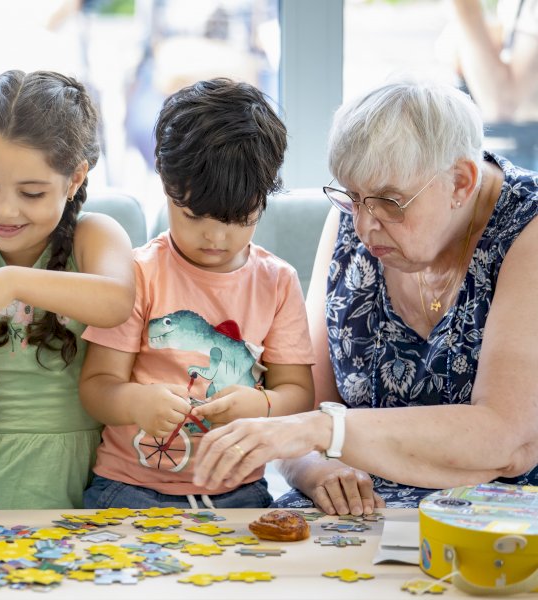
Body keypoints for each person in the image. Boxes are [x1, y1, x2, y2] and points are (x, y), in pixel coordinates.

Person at [190, 79, 538, 515]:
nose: (363, 226)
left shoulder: (527, 231)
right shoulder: (357, 222)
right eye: (353, 196)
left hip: (494, 520)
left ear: (462, 183)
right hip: (351, 511)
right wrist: (316, 471)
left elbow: (507, 438)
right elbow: (298, 412)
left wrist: (328, 432)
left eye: (391, 201)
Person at [79, 78, 315, 510]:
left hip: (240, 490)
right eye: (192, 216)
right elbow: (96, 387)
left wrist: (261, 405)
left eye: (239, 219)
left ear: (264, 200)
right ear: (165, 187)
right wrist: (136, 401)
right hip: (129, 487)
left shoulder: (277, 282)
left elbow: (299, 393)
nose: (215, 236)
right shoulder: (138, 273)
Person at [0, 70, 136, 510]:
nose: (4, 209)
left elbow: (116, 302)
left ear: (74, 181)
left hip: (88, 488)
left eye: (32, 193)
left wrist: (9, 281)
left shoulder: (96, 237)